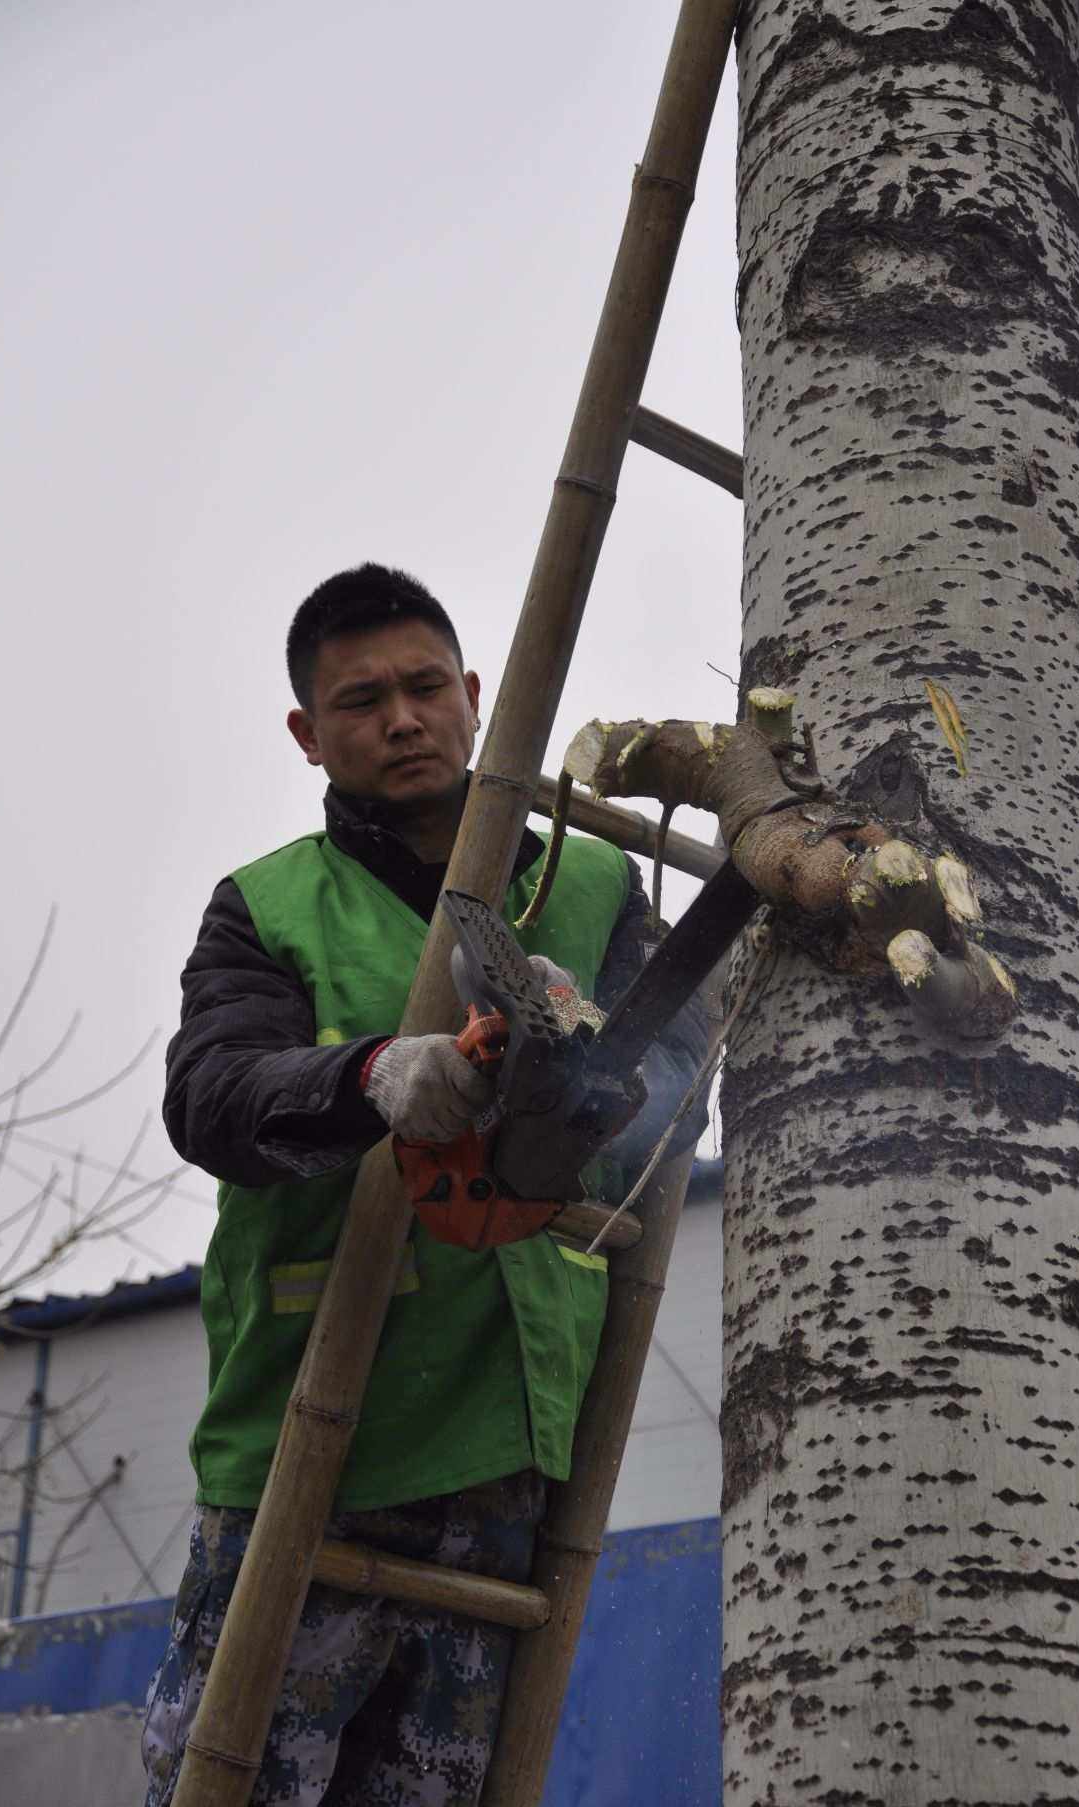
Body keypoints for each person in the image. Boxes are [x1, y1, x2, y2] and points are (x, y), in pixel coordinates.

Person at [141, 563, 708, 1807]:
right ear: (308, 734)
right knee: (231, 1777)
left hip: (514, 1436)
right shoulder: (268, 905)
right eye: (359, 701)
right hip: (319, 1427)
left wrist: (581, 1098)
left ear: (472, 693)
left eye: (420, 687)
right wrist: (377, 1078)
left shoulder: (599, 886)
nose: (400, 719)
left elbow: (678, 1080)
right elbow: (213, 1093)